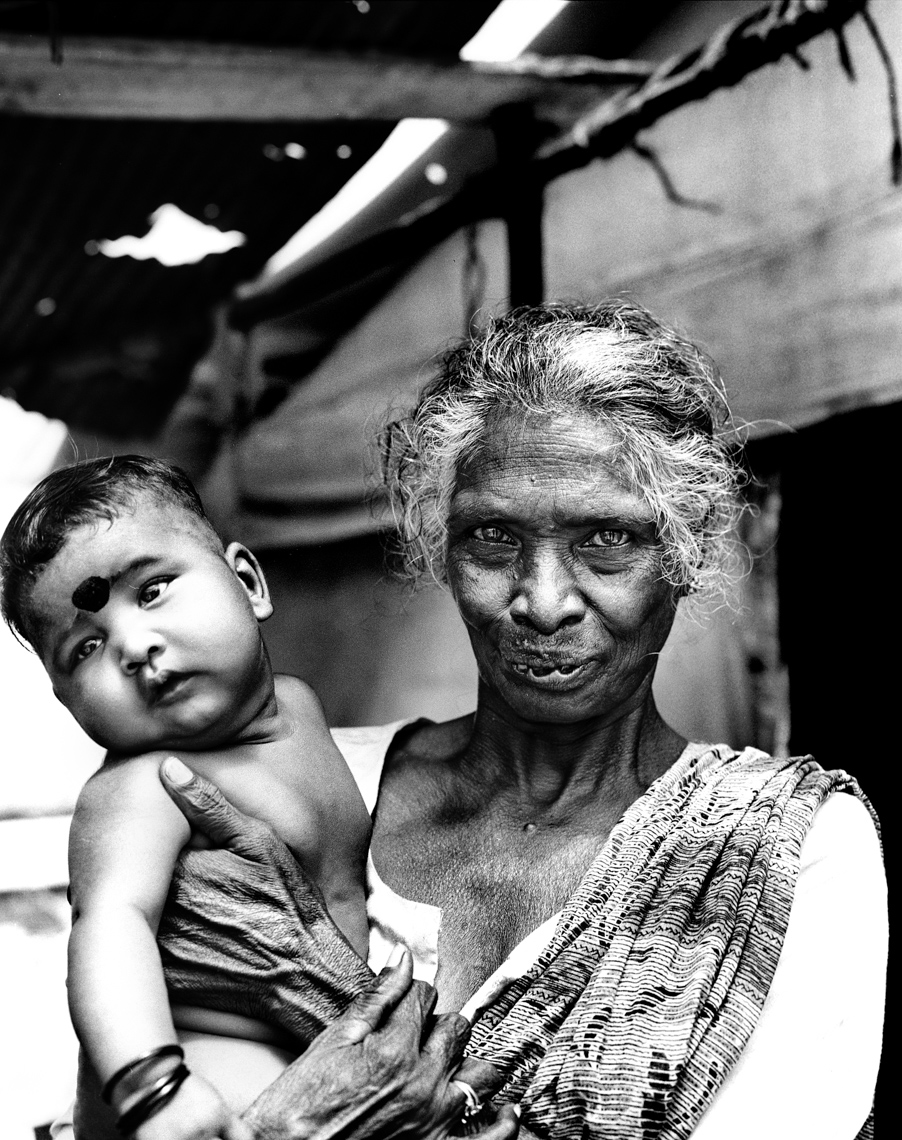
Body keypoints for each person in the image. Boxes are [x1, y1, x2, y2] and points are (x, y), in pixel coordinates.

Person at [55, 299, 886, 1140]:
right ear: (438, 549)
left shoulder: (778, 845)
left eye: (607, 540)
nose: (544, 601)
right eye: (492, 537)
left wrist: (310, 1070)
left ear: (684, 551)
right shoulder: (293, 789)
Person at [0, 456, 380, 1139]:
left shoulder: (300, 707)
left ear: (248, 583)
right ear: (67, 703)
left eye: (151, 592)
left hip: (330, 1055)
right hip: (210, 1100)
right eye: (85, 648)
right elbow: (110, 928)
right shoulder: (143, 789)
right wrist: (155, 1086)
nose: (135, 647)